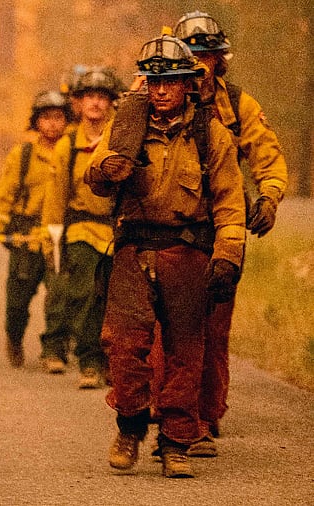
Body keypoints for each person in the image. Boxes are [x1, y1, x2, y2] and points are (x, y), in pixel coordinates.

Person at [87, 34, 245, 478]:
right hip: (134, 250)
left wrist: (228, 255)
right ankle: (131, 424)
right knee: (123, 344)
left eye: (171, 82)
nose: (160, 91)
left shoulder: (209, 134)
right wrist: (107, 170)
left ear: (188, 85)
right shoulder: (126, 126)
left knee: (185, 351)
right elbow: (94, 179)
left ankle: (176, 441)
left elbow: (231, 202)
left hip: (188, 251)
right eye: (154, 81)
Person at [172, 10, 289, 457]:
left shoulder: (239, 104)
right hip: (170, 227)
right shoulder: (153, 98)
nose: (201, 63)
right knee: (168, 327)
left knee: (213, 328)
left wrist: (270, 196)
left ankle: (204, 413)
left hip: (222, 228)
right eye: (192, 54)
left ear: (220, 59)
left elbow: (267, 156)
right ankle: (172, 413)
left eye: (208, 54)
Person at [0, 90, 72, 368]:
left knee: (60, 296)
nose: (53, 124)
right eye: (46, 118)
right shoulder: (23, 155)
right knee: (17, 301)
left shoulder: (73, 152)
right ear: (36, 121)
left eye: (58, 117)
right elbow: (5, 193)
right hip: (25, 237)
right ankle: (14, 337)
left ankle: (54, 351)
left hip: (59, 236)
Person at [40, 67, 122, 387]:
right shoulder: (67, 145)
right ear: (78, 102)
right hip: (80, 229)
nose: (96, 104)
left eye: (103, 97)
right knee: (84, 294)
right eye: (90, 96)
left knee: (115, 300)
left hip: (116, 231)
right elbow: (55, 195)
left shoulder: (121, 138)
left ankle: (113, 362)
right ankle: (89, 361)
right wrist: (51, 237)